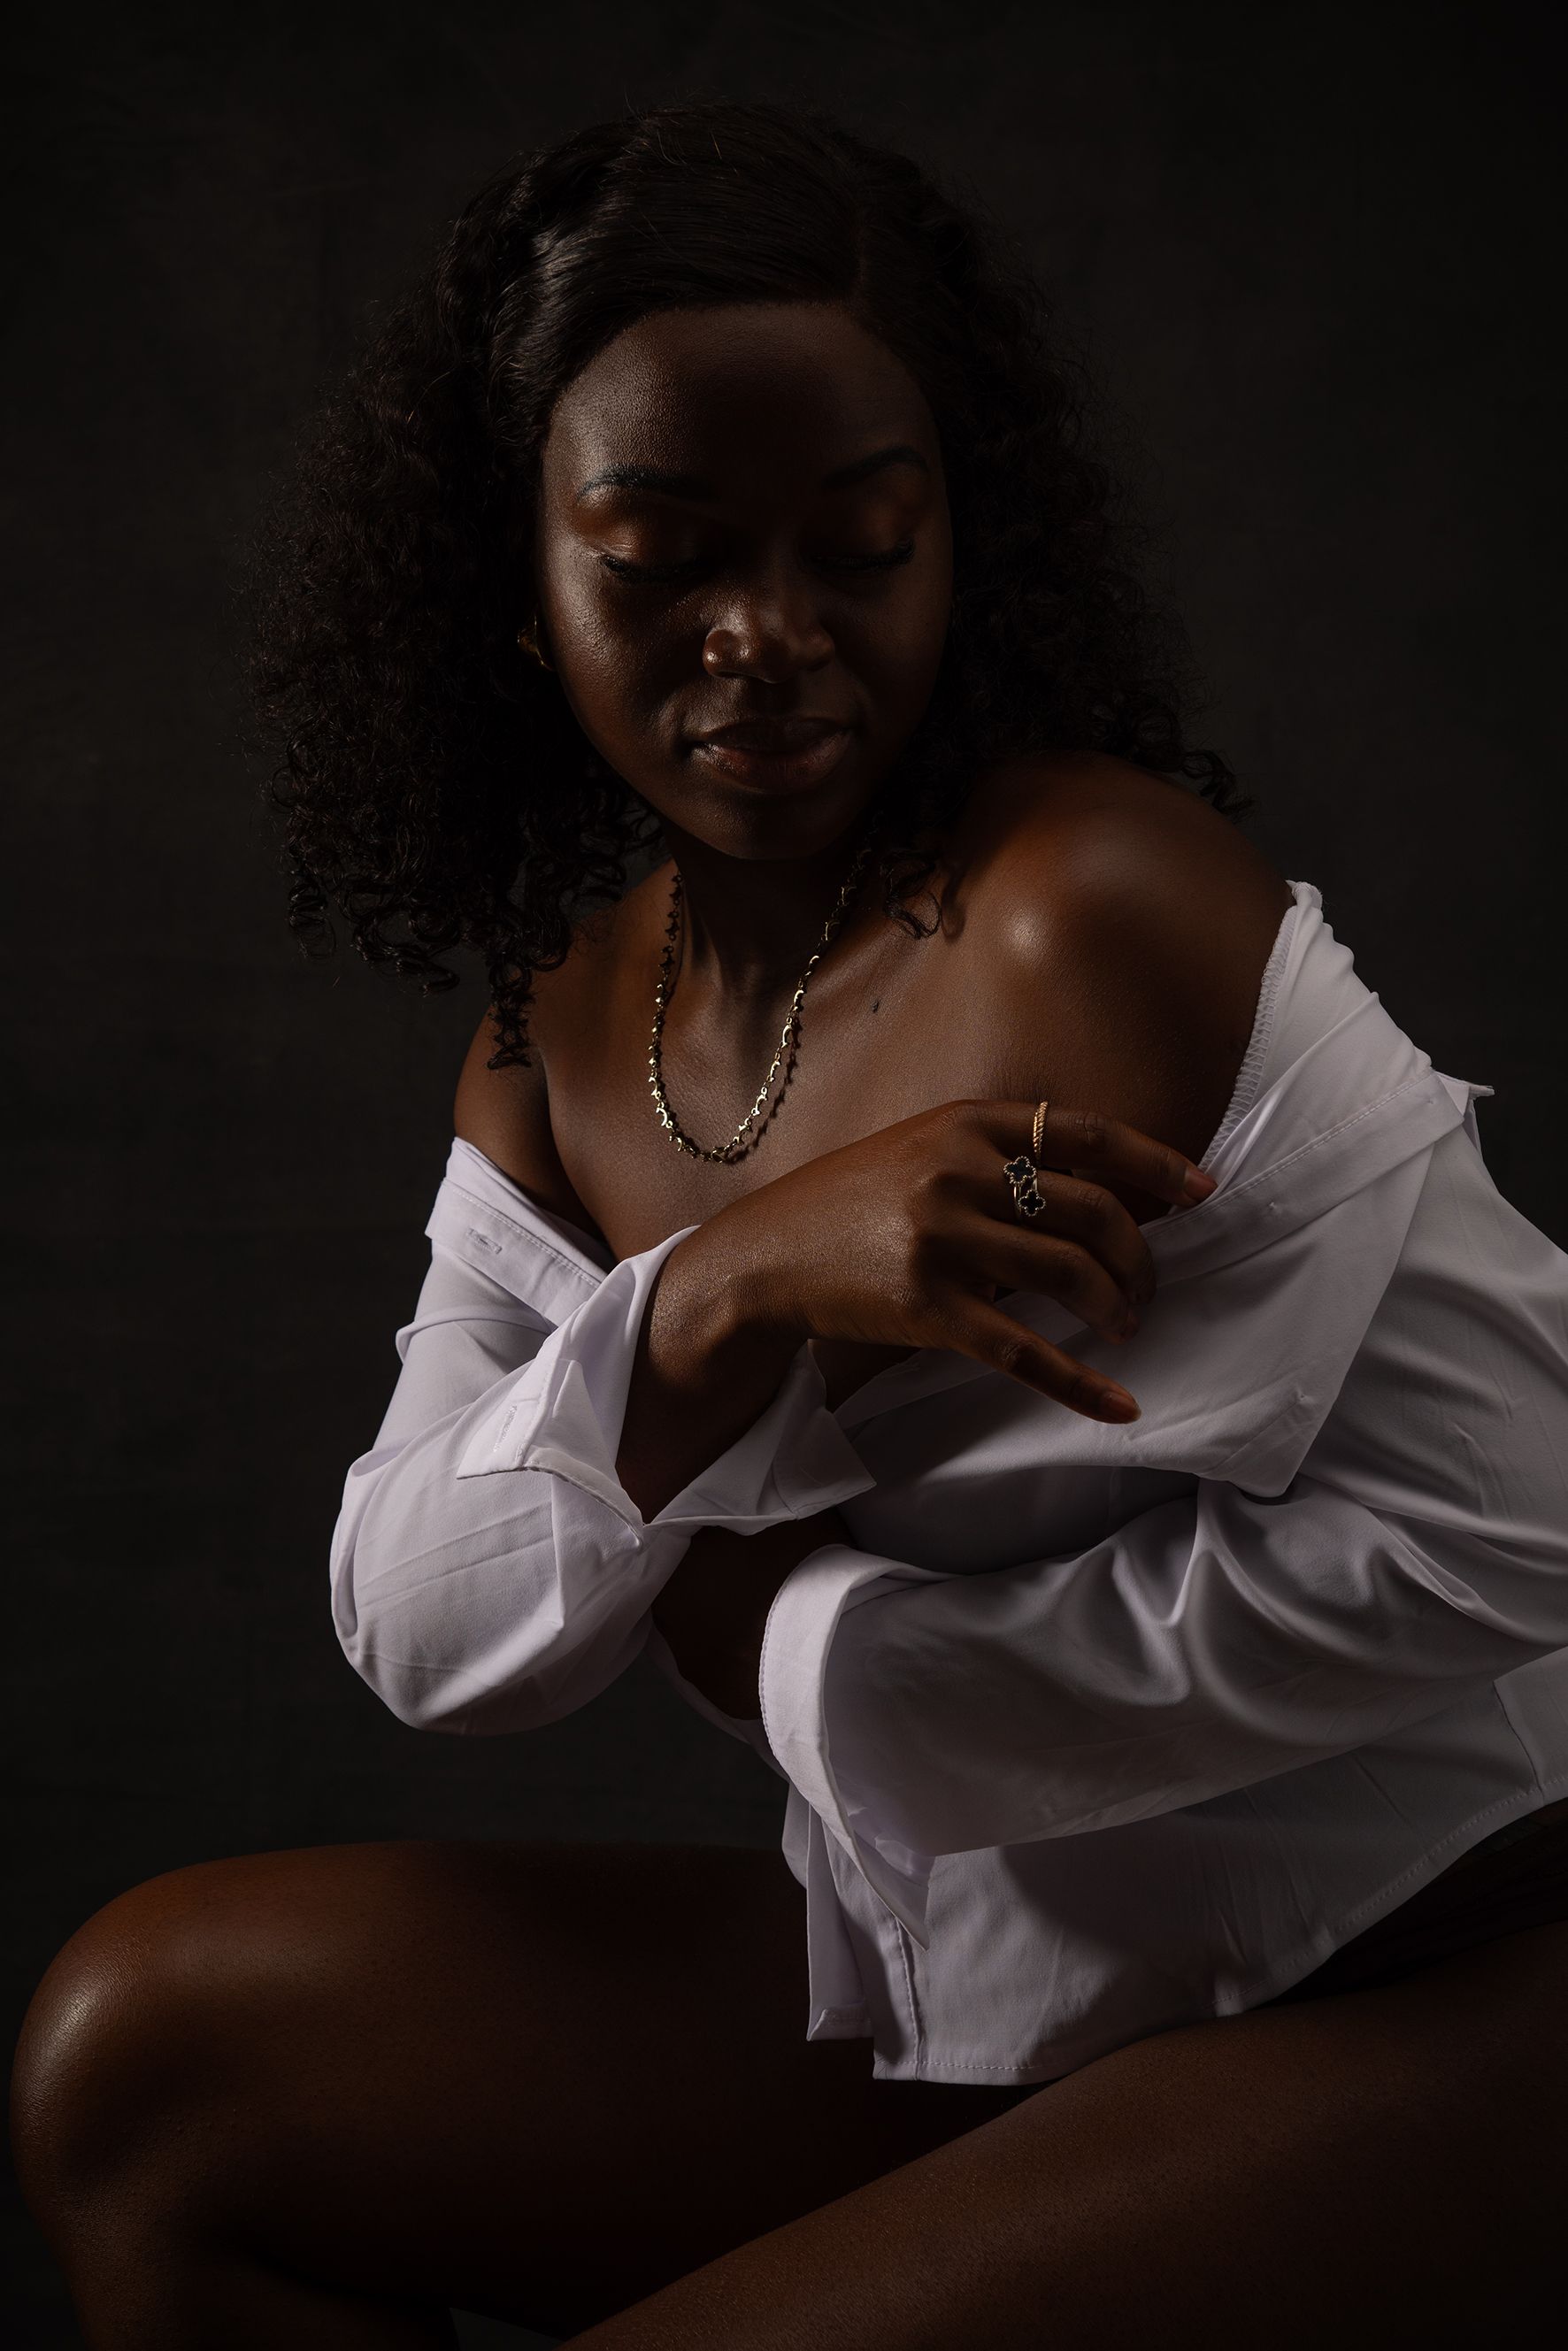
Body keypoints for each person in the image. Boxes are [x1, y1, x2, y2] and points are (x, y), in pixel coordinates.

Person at [13, 96, 1568, 2350]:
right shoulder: (560, 1036)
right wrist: (720, 1295)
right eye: (662, 556)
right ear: (519, 581)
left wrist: (813, 1657)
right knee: (141, 2062)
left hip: (1463, 1966)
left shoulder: (1086, 916)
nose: (767, 633)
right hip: (1010, 1982)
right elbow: (422, 1625)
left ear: (956, 547)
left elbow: (1519, 1528)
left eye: (862, 544)